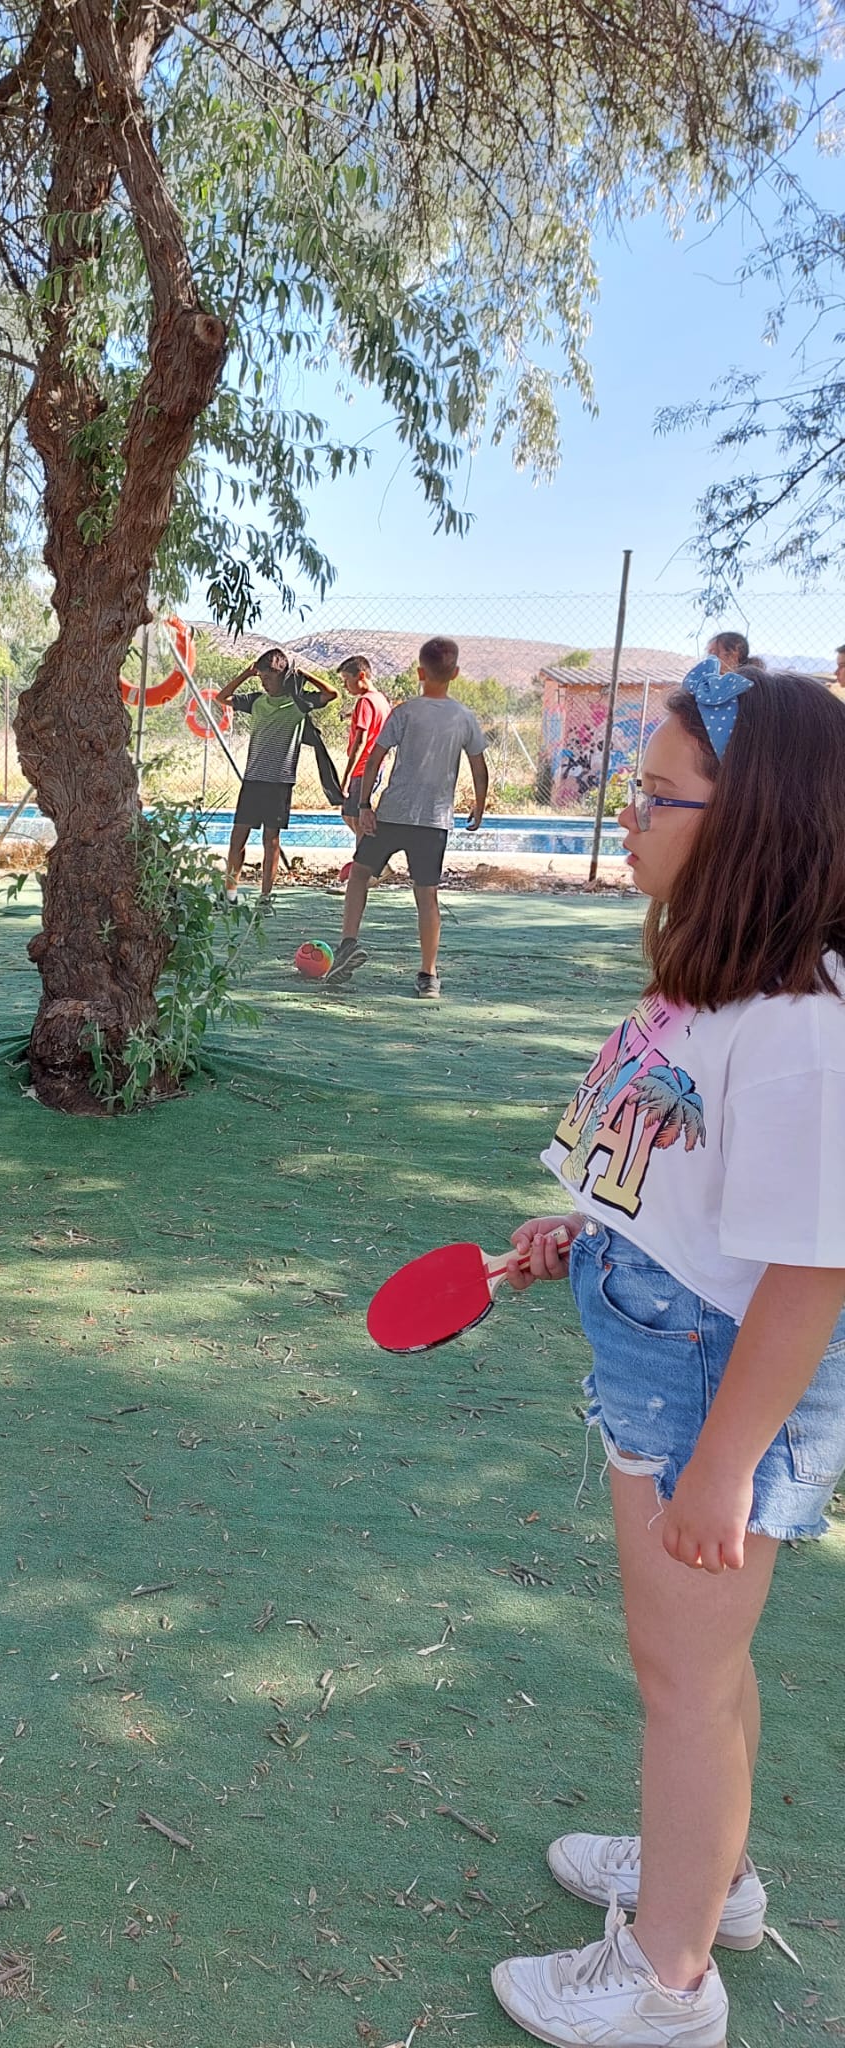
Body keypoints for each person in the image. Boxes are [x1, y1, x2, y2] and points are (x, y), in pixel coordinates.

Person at [492, 660, 845, 2048]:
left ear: (750, 820)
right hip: (672, 1357)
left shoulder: (805, 1027)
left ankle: (667, 1983)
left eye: (655, 795)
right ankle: (715, 1871)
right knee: (708, 1662)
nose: (623, 815)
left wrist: (727, 1464)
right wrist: (589, 1228)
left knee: (682, 1679)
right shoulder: (719, 985)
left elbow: (813, 1271)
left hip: (715, 1387)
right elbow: (688, 1171)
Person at [327, 636, 488, 998]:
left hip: (392, 814)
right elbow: (479, 767)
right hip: (433, 821)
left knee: (360, 874)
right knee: (426, 894)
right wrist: (479, 806)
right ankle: (428, 975)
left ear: (419, 672)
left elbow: (375, 757)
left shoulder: (405, 712)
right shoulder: (464, 717)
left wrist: (364, 804)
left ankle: (348, 942)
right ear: (455, 674)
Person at [219, 647, 337, 905]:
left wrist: (304, 674)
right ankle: (229, 893)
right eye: (262, 678)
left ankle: (265, 896)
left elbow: (331, 694)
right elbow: (222, 697)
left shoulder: (299, 704)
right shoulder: (256, 701)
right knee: (238, 837)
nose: (265, 683)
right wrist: (246, 674)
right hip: (253, 781)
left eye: (269, 678)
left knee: (270, 841)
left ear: (284, 678)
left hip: (279, 784)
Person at [337, 654, 391, 837]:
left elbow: (360, 742)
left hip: (363, 768)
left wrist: (346, 778)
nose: (345, 686)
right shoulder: (381, 700)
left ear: (361, 676)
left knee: (357, 820)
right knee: (350, 814)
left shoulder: (365, 701)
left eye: (346, 679)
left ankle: (369, 852)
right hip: (375, 767)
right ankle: (371, 849)